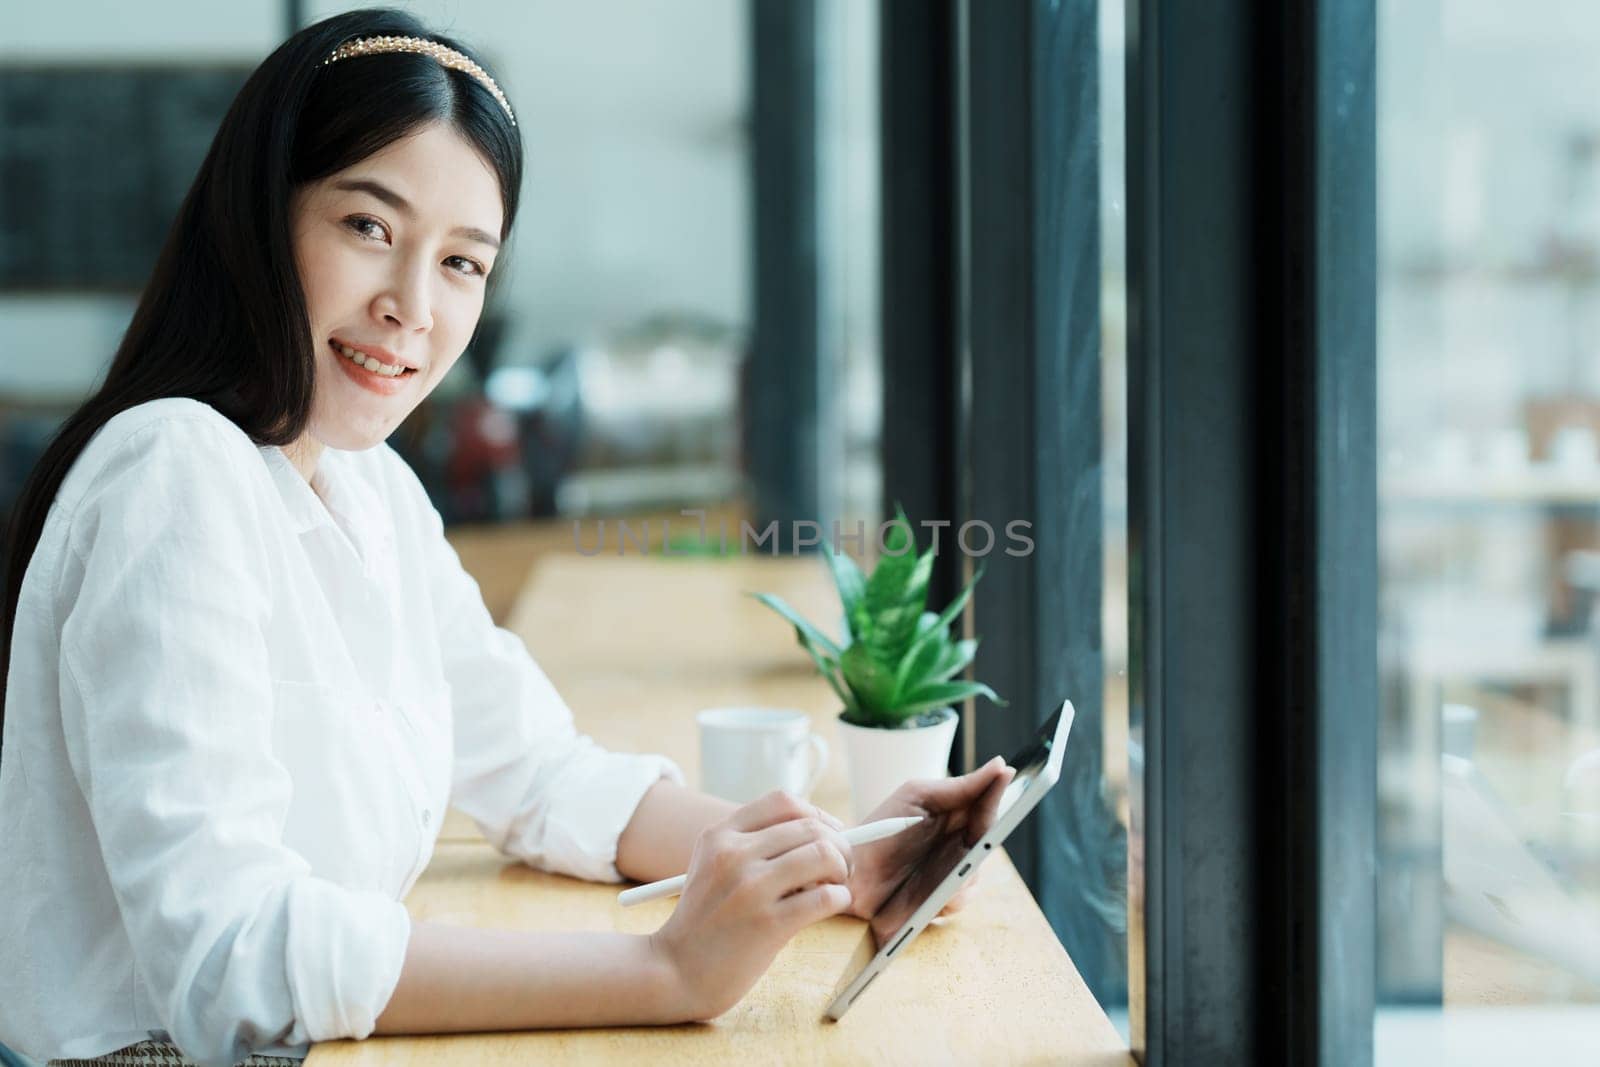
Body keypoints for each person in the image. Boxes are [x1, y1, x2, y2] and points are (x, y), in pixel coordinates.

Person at [0, 10, 1015, 1067]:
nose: (411, 307)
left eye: (462, 263)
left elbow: (539, 773)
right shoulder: (172, 471)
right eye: (368, 228)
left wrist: (839, 862)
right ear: (261, 217)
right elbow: (237, 961)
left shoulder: (371, 487)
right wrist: (665, 972)